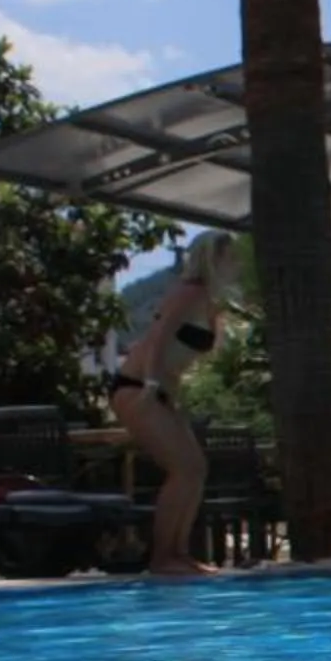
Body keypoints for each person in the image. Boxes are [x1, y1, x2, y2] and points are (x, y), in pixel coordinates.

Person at [110, 229, 244, 577]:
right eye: (230, 257)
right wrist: (153, 386)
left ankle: (179, 553)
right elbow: (157, 340)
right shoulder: (190, 292)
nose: (236, 263)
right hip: (138, 386)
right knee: (183, 469)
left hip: (162, 392)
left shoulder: (211, 302)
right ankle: (162, 558)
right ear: (212, 259)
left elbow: (185, 356)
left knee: (195, 470)